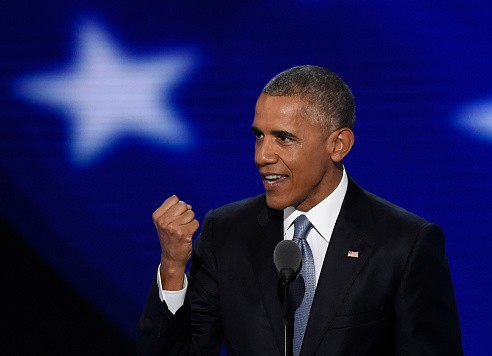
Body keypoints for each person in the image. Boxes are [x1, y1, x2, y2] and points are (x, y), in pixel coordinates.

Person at [137, 65, 463, 355]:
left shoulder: (405, 244)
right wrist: (172, 267)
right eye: (259, 136)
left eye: (283, 138)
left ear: (338, 145)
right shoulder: (226, 232)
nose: (262, 156)